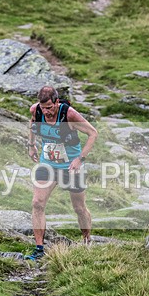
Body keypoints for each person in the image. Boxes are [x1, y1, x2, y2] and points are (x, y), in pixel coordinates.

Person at [26, 86, 98, 260]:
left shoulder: (69, 114)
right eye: (44, 108)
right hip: (47, 165)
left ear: (57, 102)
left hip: (70, 167)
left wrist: (80, 159)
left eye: (50, 108)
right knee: (37, 203)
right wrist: (31, 145)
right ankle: (39, 249)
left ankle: (87, 241)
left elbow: (93, 133)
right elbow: (33, 124)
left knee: (79, 208)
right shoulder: (36, 110)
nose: (47, 112)